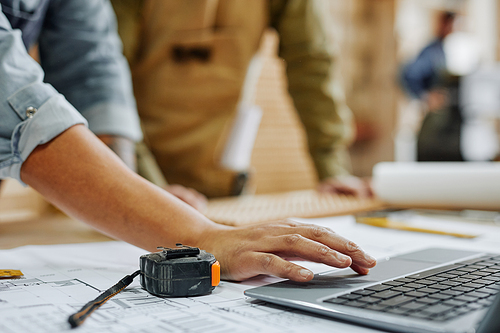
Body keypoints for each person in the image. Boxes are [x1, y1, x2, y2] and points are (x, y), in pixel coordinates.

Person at [0, 0, 376, 282]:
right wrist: (194, 230)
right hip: (105, 177)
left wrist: (331, 165)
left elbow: (91, 71)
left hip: (198, 182)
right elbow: (11, 95)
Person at [110, 0, 372, 200]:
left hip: (220, 185)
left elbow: (311, 65)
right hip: (125, 178)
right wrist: (146, 187)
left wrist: (332, 168)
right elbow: (106, 82)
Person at [401, 11, 463, 161]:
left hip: (453, 123)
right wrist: (425, 96)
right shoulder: (431, 51)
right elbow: (409, 74)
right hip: (438, 124)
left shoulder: (446, 49)